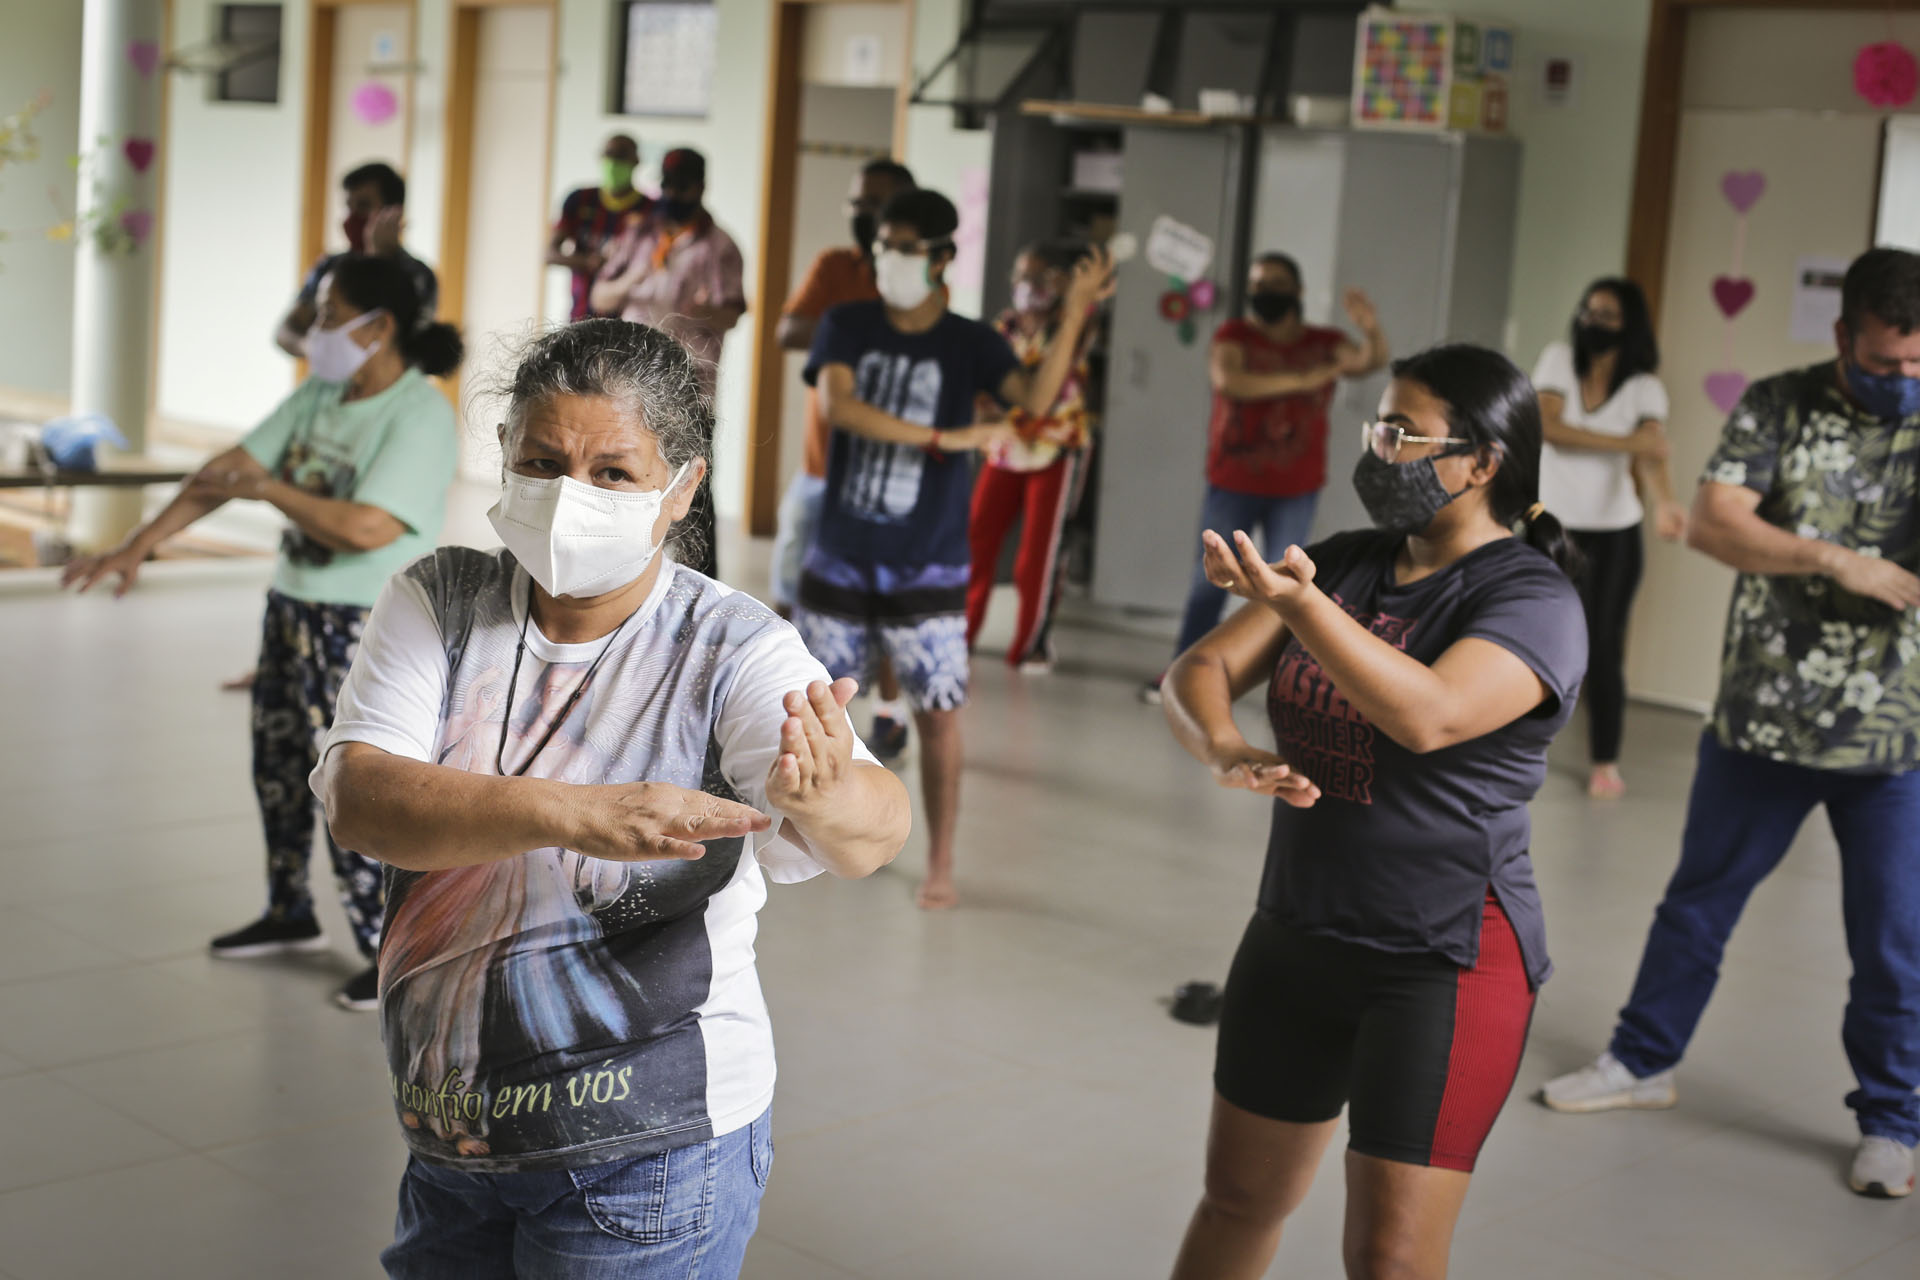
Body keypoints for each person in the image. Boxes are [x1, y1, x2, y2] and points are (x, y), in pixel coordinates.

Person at [306, 319, 911, 1276]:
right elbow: (362, 800)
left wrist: (830, 794)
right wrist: (583, 812)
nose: (567, 497)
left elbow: (875, 830)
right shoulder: (439, 601)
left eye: (613, 473)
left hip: (647, 1159)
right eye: (541, 462)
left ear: (681, 492)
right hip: (454, 1137)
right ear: (504, 461)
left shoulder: (730, 647)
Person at [1161, 344, 1586, 1280]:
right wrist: (1224, 747)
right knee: (1239, 1199)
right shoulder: (1349, 563)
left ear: (1483, 463)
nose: (1379, 450)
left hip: (1443, 959)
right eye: (1377, 426)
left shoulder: (1533, 598)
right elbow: (1198, 670)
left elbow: (1430, 715)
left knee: (1389, 1256)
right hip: (1298, 931)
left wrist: (1305, 610)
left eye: (1404, 434)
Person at [1540, 247, 1920, 1201]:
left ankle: (1894, 1120)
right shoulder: (1779, 404)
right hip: (1764, 721)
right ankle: (1641, 1061)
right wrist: (1835, 560)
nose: (1904, 382)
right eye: (1886, 364)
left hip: (1897, 736)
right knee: (1699, 903)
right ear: (1845, 338)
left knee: (1895, 935)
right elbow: (1713, 522)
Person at [64, 255, 464, 1011]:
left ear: (376, 329)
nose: (313, 331)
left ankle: (389, 951)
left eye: (326, 314)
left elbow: (365, 525)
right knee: (278, 764)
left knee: (357, 783)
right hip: (291, 608)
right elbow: (227, 472)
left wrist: (272, 487)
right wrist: (138, 545)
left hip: (363, 623)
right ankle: (290, 911)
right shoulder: (319, 395)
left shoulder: (419, 413)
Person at [794, 188, 1112, 910]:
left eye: (905, 248)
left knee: (938, 716)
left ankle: (937, 860)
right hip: (839, 555)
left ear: (942, 258)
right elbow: (838, 406)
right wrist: (948, 439)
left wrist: (1075, 315)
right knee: (814, 709)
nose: (889, 260)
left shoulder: (970, 342)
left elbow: (1033, 395)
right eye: (884, 246)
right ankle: (811, 834)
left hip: (929, 562)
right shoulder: (847, 323)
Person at [1142, 252, 1389, 703]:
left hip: (1295, 487)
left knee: (1285, 592)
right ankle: (1180, 675)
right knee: (1208, 585)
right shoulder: (1234, 334)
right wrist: (1308, 378)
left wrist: (1370, 327)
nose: (1264, 292)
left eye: (1275, 283)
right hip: (1233, 479)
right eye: (1257, 283)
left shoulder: (1324, 341)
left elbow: (1369, 360)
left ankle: (1278, 686)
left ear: (1296, 292)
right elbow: (1232, 381)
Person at [774, 157, 918, 758]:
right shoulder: (837, 266)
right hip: (820, 465)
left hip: (886, 476)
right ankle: (770, 686)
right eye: (856, 204)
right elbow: (788, 332)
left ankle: (888, 710)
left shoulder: (917, 279)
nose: (862, 214)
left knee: (879, 602)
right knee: (789, 586)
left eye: (875, 204)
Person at [1533, 278, 1685, 798]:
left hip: (1615, 533)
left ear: (1629, 326)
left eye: (1607, 315)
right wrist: (1626, 441)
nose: (1593, 322)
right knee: (1535, 634)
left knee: (1602, 648)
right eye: (1588, 311)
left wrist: (1665, 502)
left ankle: (1604, 760)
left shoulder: (1645, 387)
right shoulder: (1557, 361)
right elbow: (1548, 428)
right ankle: (1517, 740)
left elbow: (1653, 455)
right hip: (1550, 527)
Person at [592, 147, 745, 581]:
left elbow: (733, 313)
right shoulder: (639, 235)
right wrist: (630, 282)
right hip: (624, 387)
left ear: (700, 187)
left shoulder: (719, 246)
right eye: (667, 183)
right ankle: (614, 575)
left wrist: (702, 310)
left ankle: (698, 589)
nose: (672, 192)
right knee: (619, 483)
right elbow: (601, 298)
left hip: (690, 392)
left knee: (691, 498)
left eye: (682, 185)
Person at [964, 237, 1108, 671]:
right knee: (977, 539)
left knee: (1038, 557)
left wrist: (1082, 298)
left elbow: (1081, 327)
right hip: (1006, 449)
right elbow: (984, 389)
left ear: (1060, 281)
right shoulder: (1002, 329)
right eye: (1022, 275)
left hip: (1056, 451)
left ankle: (1031, 645)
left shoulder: (1074, 325)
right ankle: (962, 634)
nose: (1027, 284)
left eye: (1039, 276)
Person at [277, 163, 437, 358]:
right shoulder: (330, 267)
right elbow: (286, 331)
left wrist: (379, 259)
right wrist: (313, 348)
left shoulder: (417, 276)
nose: (351, 217)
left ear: (392, 213)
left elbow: (404, 349)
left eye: (363, 206)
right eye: (348, 207)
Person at [547, 133, 650, 324]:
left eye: (620, 157)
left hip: (631, 320)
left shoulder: (649, 211)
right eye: (609, 156)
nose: (613, 163)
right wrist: (587, 261)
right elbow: (549, 254)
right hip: (581, 314)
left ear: (635, 161)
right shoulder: (580, 200)